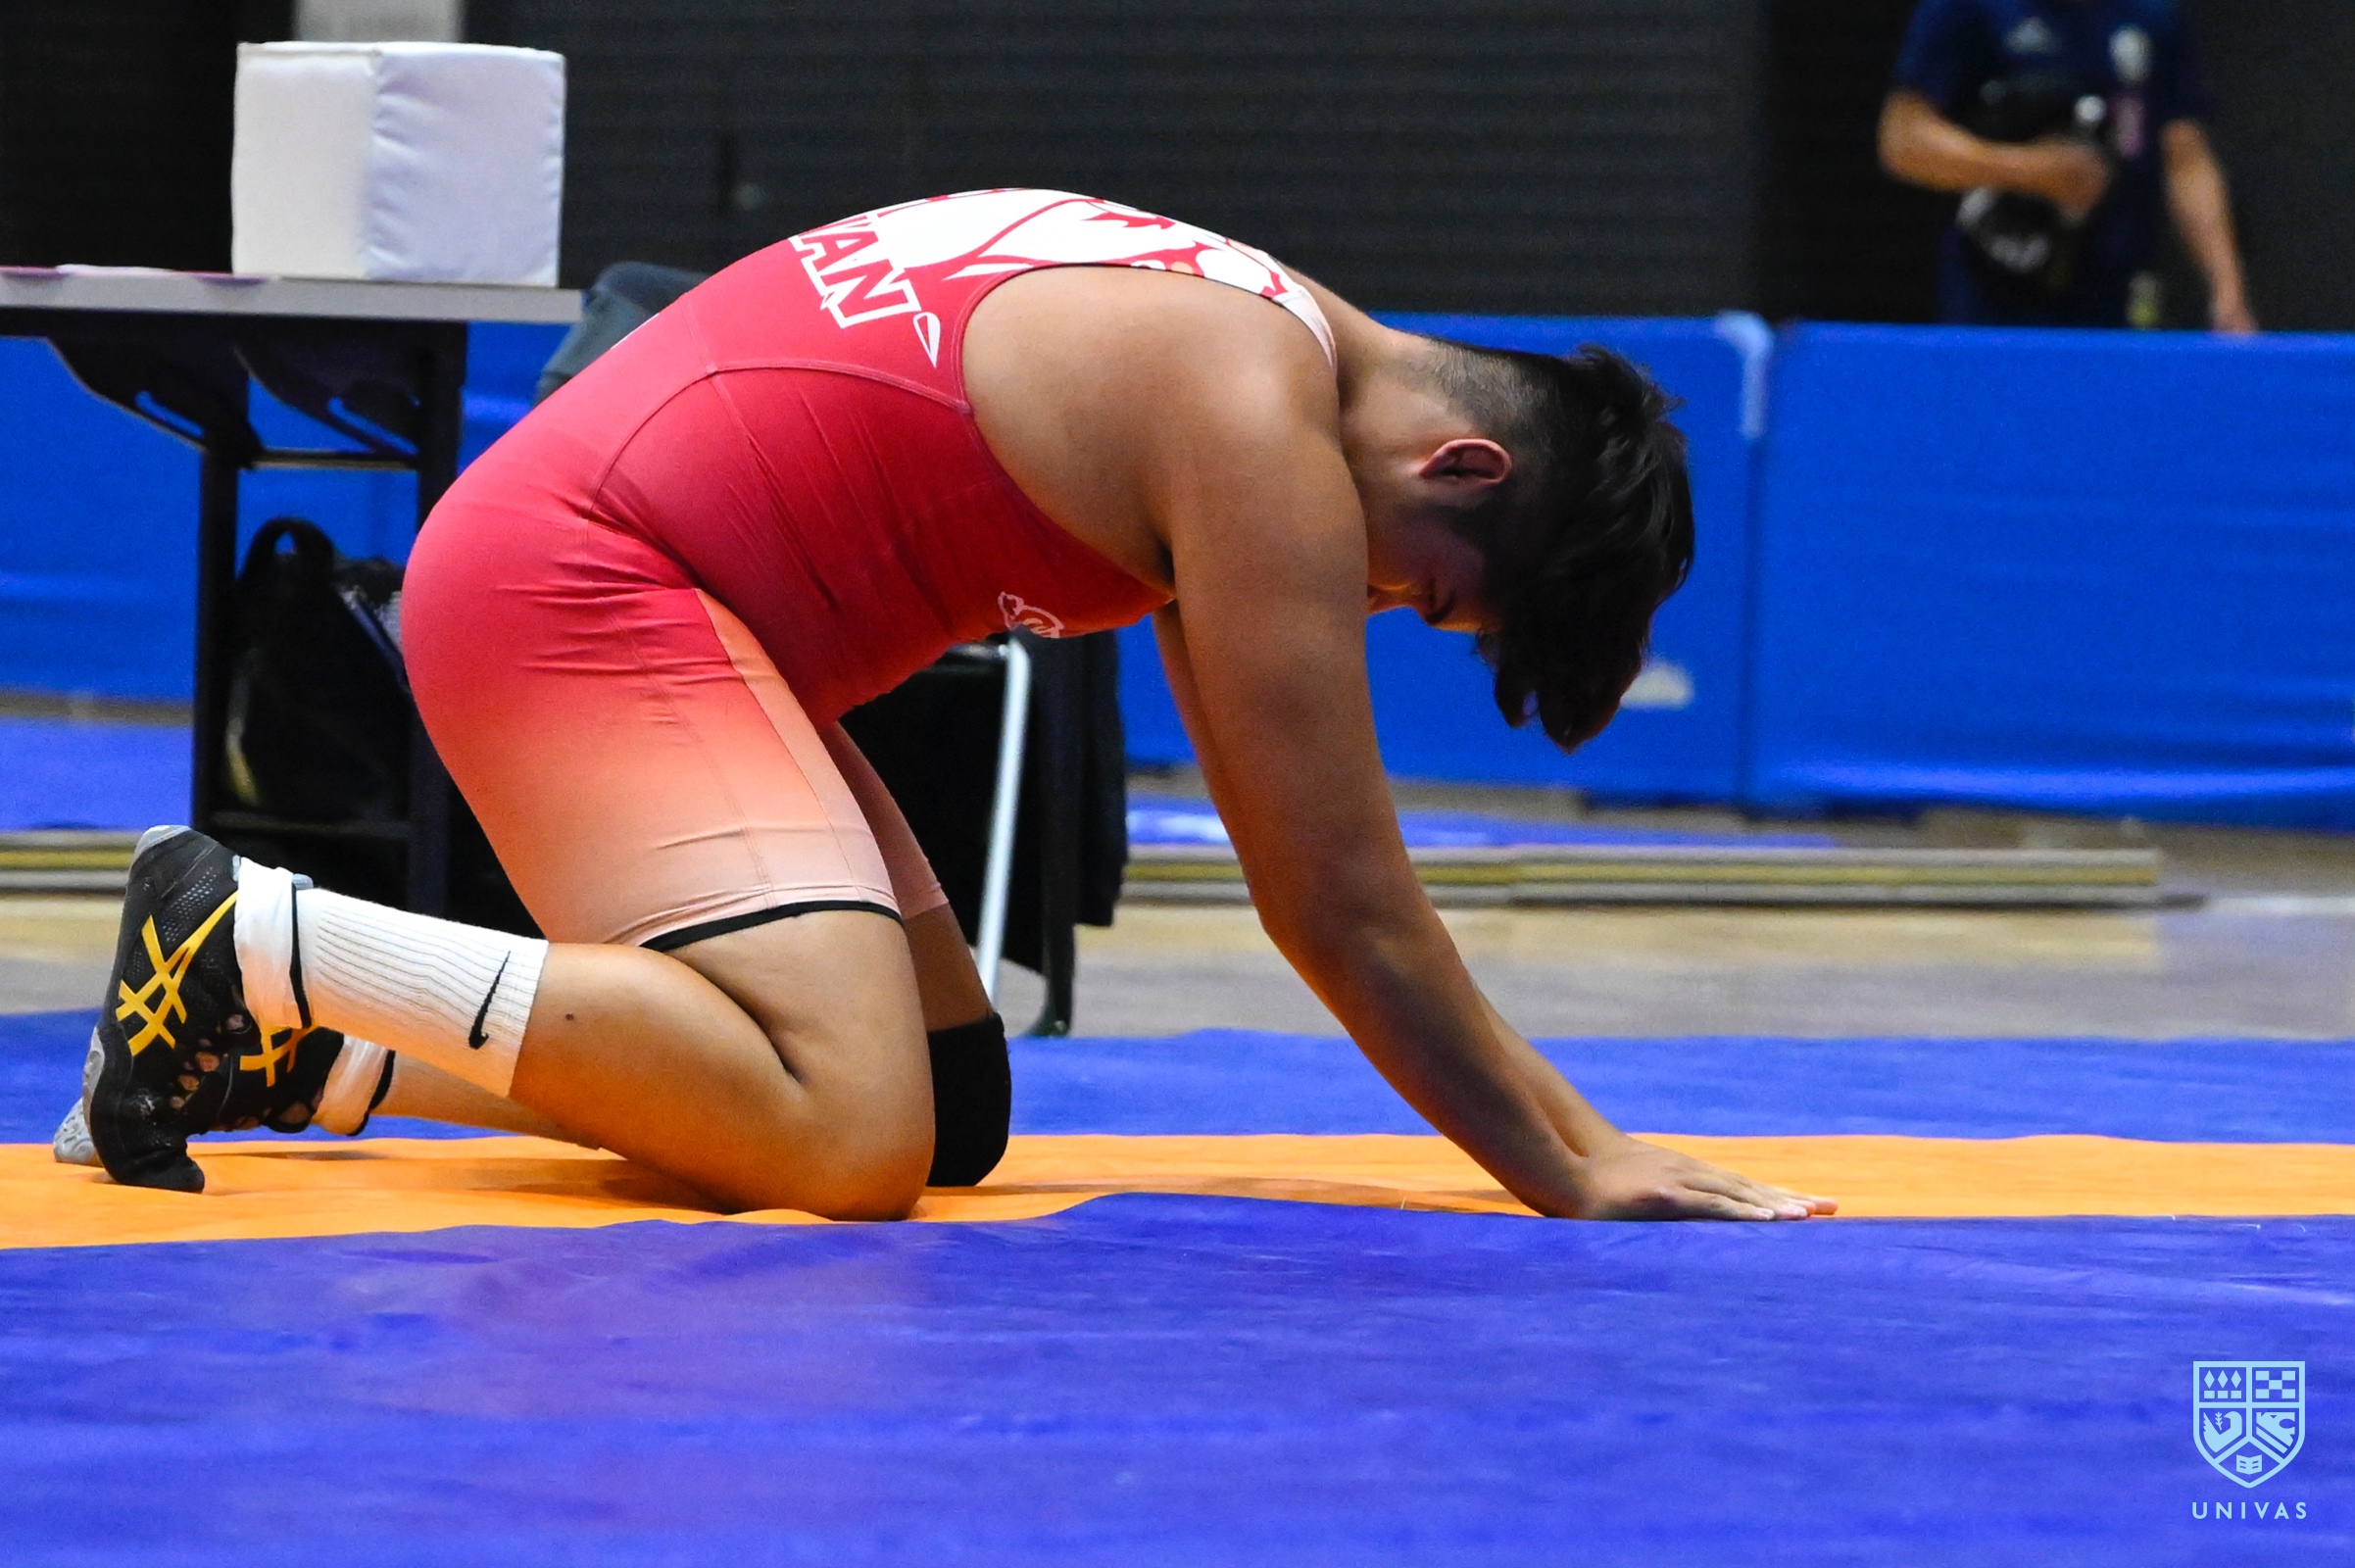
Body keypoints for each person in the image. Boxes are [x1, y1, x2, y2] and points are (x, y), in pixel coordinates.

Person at [70, 189, 1834, 1224]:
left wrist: (1575, 1139)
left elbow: (1287, 841)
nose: (1373, 608)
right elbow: (1335, 899)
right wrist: (1568, 1166)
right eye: (1419, 592)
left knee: (945, 1101)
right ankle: (255, 939)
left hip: (637, 596)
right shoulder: (1255, 425)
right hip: (583, 584)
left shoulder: (1249, 334)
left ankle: (320, 1047)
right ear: (1459, 464)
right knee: (850, 1133)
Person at [1878, 0, 2254, 331]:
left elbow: (2185, 157)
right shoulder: (1969, 8)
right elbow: (1904, 141)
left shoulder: (2151, 17)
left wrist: (2227, 288)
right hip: (1995, 299)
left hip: (2116, 302)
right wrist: (2033, 171)